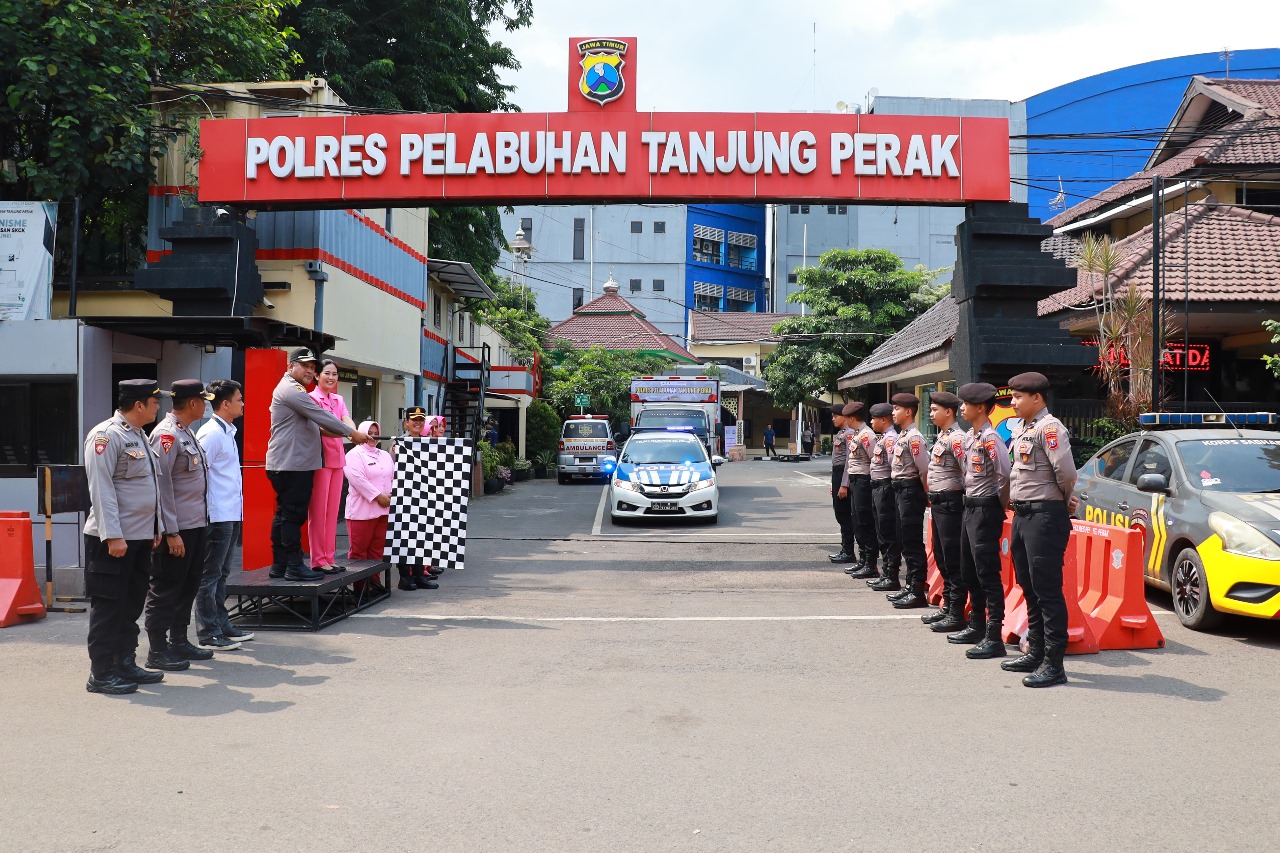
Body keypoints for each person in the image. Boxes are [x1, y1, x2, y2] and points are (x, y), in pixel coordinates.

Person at [82, 379, 168, 695]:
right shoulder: (106, 436)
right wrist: (114, 536)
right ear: (138, 405)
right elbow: (101, 489)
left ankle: (124, 662)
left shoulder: (139, 436)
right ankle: (101, 673)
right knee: (109, 606)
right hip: (113, 541)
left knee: (131, 605)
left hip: (139, 537)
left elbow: (150, 489)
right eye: (155, 401)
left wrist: (154, 529)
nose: (159, 406)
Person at [266, 349, 370, 581]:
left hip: (294, 462)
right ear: (291, 366)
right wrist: (352, 433)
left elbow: (323, 424)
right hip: (292, 463)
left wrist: (350, 432)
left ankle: (281, 564)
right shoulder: (293, 391)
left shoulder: (295, 390)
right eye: (306, 366)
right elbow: (322, 417)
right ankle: (294, 565)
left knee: (286, 513)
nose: (310, 371)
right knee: (294, 515)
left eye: (313, 367)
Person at [1002, 372, 1077, 688]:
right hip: (1023, 516)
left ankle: (1054, 663)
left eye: (1018, 397)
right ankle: (1036, 652)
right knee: (1029, 586)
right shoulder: (1023, 429)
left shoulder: (1050, 428)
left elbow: (1067, 473)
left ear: (1037, 398)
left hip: (1045, 516)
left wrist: (1062, 502)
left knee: (1047, 589)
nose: (1013, 402)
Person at [144, 380, 221, 671]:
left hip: (195, 524)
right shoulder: (166, 436)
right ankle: (157, 649)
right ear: (193, 403)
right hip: (176, 529)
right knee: (166, 588)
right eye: (204, 401)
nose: (206, 405)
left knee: (187, 585)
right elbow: (161, 486)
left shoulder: (186, 432)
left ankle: (179, 639)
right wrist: (171, 531)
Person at [951, 382, 1011, 659]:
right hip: (969, 508)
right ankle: (975, 625)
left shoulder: (991, 439)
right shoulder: (969, 438)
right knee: (969, 570)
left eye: (965, 403)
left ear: (980, 408)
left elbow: (1005, 476)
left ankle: (993, 635)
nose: (961, 408)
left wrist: (997, 506)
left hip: (986, 509)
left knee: (987, 573)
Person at [195, 379, 254, 649]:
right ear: (226, 403)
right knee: (210, 575)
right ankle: (208, 631)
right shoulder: (211, 434)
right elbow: (197, 475)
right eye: (239, 399)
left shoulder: (227, 431)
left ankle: (221, 623)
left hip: (230, 512)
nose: (243, 404)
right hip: (216, 514)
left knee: (223, 572)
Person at [922, 391, 968, 632]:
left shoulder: (957, 439)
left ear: (948, 412)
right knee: (941, 556)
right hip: (939, 503)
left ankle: (956, 612)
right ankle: (948, 606)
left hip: (952, 503)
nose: (930, 414)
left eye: (934, 410)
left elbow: (967, 472)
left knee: (952, 558)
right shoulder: (943, 437)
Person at [308, 359, 355, 574]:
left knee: (333, 511)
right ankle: (318, 559)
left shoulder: (338, 399)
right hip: (320, 459)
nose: (331, 377)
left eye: (334, 374)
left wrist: (351, 431)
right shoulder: (311, 399)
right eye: (327, 373)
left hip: (338, 458)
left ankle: (329, 555)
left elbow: (348, 421)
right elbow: (323, 427)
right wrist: (349, 432)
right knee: (318, 511)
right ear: (317, 375)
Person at [888, 392, 930, 609]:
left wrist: (926, 494)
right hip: (900, 491)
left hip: (910, 492)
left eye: (896, 409)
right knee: (903, 539)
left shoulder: (914, 438)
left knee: (912, 541)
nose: (893, 412)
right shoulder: (903, 435)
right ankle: (909, 585)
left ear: (908, 412)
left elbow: (924, 469)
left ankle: (917, 589)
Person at [391, 406, 440, 590]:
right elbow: (392, 470)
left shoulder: (430, 444)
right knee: (404, 537)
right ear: (406, 423)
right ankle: (405, 577)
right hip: (404, 496)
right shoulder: (398, 443)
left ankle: (419, 575)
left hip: (424, 496)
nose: (417, 423)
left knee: (422, 536)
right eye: (414, 420)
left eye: (421, 420)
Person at [344, 420, 393, 591]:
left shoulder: (384, 454)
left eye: (375, 433)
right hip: (361, 512)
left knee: (377, 549)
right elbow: (358, 480)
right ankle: (360, 587)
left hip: (383, 510)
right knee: (359, 551)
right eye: (369, 433)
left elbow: (391, 477)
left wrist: (390, 496)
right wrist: (378, 496)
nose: (373, 437)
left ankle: (374, 581)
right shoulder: (353, 455)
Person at [867, 403, 904, 592]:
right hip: (878, 488)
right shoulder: (884, 438)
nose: (871, 421)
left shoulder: (891, 439)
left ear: (883, 420)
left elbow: (893, 467)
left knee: (888, 532)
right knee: (881, 531)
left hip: (886, 489)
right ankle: (886, 573)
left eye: (874, 418)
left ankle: (892, 575)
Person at [843, 402, 880, 580]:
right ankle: (863, 559)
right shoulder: (859, 434)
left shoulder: (867, 436)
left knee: (865, 522)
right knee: (857, 521)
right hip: (855, 481)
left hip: (864, 482)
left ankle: (870, 563)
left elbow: (875, 460)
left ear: (851, 418)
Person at [827, 404, 857, 565]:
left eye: (835, 416)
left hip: (844, 475)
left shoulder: (850, 434)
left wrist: (844, 484)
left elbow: (848, 462)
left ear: (844, 417)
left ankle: (848, 551)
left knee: (844, 514)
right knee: (839, 513)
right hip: (837, 475)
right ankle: (845, 549)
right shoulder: (842, 433)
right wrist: (834, 482)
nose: (833, 419)